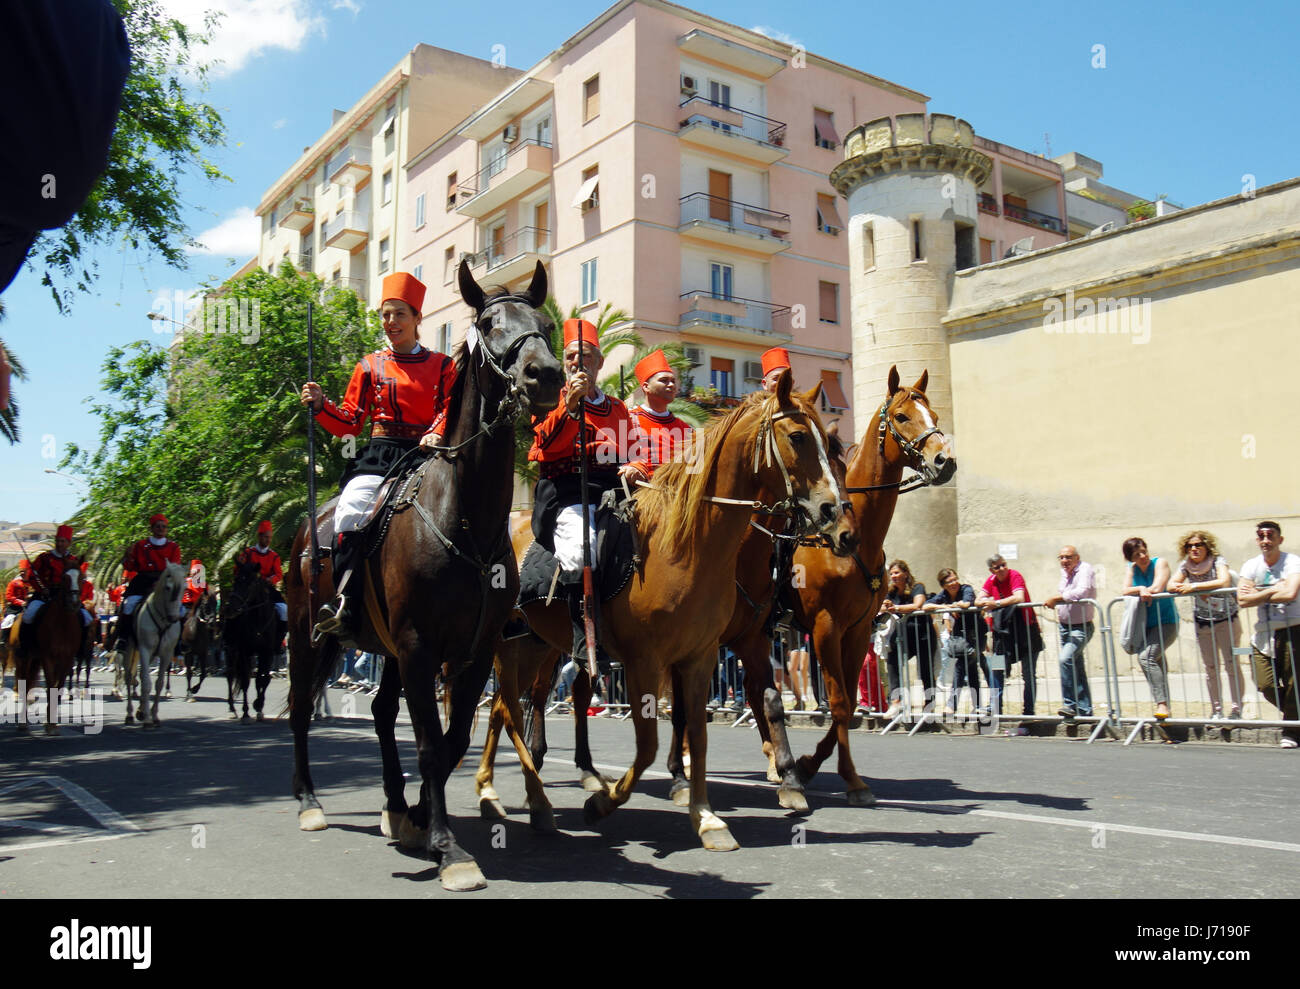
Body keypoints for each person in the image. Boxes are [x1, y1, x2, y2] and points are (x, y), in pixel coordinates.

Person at [300, 271, 456, 640]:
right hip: (381, 456)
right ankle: (345, 602)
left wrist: (435, 432)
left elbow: (451, 408)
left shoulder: (444, 366)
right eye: (386, 315)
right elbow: (351, 422)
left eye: (399, 314)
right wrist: (322, 405)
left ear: (418, 318)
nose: (391, 322)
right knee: (351, 509)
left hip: (427, 454)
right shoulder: (369, 366)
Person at [527, 318, 646, 660]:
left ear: (600, 362)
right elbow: (543, 443)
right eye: (571, 357)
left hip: (615, 493)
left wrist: (637, 466)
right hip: (568, 492)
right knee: (581, 552)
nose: (578, 363)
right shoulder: (549, 399)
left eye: (586, 356)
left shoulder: (618, 408)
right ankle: (584, 637)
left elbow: (636, 450)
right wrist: (570, 407)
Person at [1237, 521, 1300, 748]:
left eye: (1270, 535)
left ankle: (1291, 731)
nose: (1266, 540)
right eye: (1261, 536)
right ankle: (1296, 719)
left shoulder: (1292, 562)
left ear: (1279, 539)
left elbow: (1291, 593)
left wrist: (1259, 593)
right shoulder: (1251, 565)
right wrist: (1274, 589)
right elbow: (1242, 600)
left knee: (1294, 684)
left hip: (1293, 627)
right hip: (1264, 632)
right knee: (1265, 684)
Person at [1168, 530, 1243, 720]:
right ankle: (1216, 710)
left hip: (1226, 619)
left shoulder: (1217, 560)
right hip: (1203, 622)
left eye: (1198, 545)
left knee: (1231, 665)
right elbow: (1170, 585)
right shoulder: (1186, 566)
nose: (1194, 549)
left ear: (1206, 546)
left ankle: (1236, 709)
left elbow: (1224, 581)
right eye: (1190, 546)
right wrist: (1182, 585)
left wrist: (1193, 587)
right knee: (1210, 667)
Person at [975, 554, 1042, 716]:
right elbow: (978, 601)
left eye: (1003, 564)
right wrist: (986, 602)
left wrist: (995, 603)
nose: (1002, 569)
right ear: (992, 570)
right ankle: (995, 707)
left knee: (1028, 673)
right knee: (997, 669)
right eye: (997, 567)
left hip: (1026, 631)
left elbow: (1018, 597)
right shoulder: (991, 580)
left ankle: (1029, 711)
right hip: (1002, 636)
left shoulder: (1015, 575)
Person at [1121, 537, 1180, 720]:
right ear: (1131, 558)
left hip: (1166, 621)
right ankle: (1165, 714)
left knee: (1146, 658)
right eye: (1137, 554)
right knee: (1158, 665)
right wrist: (1140, 588)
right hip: (1146, 625)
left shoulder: (1159, 562)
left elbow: (1158, 586)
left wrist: (1147, 590)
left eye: (1144, 551)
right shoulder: (1132, 569)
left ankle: (1161, 703)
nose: (1143, 556)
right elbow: (1125, 589)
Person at [18, 525, 93, 657]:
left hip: (67, 596)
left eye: (63, 541)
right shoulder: (44, 558)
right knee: (28, 614)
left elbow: (78, 580)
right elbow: (32, 576)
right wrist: (42, 589)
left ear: (69, 543)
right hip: (45, 594)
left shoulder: (74, 560)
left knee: (87, 619)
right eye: (58, 540)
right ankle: (25, 647)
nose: (60, 544)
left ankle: (81, 649)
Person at [1042, 546, 1097, 721]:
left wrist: (1056, 599)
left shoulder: (1085, 569)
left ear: (1077, 557)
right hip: (1065, 627)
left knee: (1065, 659)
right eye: (1061, 557)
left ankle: (1070, 705)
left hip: (1081, 626)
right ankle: (1085, 710)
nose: (1064, 561)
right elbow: (1066, 592)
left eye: (1068, 557)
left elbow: (1081, 592)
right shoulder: (1065, 573)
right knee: (1077, 667)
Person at [878, 560, 937, 715]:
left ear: (905, 573)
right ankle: (896, 701)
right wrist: (885, 605)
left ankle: (929, 703)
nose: (894, 576)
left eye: (897, 572)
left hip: (922, 633)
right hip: (903, 634)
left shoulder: (917, 587)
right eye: (891, 574)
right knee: (892, 660)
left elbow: (917, 605)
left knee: (925, 670)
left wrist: (896, 608)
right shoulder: (891, 592)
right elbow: (883, 606)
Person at [925, 568, 985, 715]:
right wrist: (946, 606)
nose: (953, 583)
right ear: (943, 585)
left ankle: (952, 705)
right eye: (949, 581)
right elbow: (926, 606)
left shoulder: (966, 588)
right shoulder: (944, 595)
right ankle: (977, 706)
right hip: (960, 636)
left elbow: (966, 604)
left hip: (975, 633)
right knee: (970, 670)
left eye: (954, 579)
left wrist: (955, 605)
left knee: (962, 666)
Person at [626, 349, 692, 478]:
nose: (671, 385)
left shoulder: (687, 429)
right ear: (646, 387)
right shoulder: (627, 420)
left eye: (673, 381)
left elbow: (696, 469)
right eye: (664, 380)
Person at [119, 513, 182, 647]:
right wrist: (127, 558)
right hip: (143, 581)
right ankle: (123, 639)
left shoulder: (173, 547)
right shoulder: (140, 545)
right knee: (129, 604)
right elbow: (131, 566)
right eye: (158, 526)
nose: (161, 529)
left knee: (179, 609)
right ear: (152, 528)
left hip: (164, 581)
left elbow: (174, 567)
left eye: (163, 527)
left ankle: (178, 644)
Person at [233, 520, 289, 649]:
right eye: (265, 537)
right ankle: (230, 640)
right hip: (248, 588)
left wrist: (270, 580)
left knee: (284, 610)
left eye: (270, 537)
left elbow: (278, 574)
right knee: (234, 607)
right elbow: (238, 571)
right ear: (259, 537)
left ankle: (278, 641)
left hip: (267, 589)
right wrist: (238, 565)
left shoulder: (274, 556)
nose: (268, 540)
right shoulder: (248, 553)